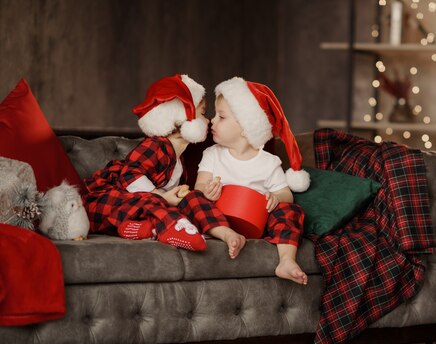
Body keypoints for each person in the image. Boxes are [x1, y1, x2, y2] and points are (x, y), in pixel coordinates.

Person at [82, 74, 246, 255]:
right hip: (107, 205)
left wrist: (199, 195)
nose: (207, 121)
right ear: (182, 118)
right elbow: (129, 175)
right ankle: (172, 228)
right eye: (203, 113)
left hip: (137, 214)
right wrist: (162, 197)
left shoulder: (179, 161)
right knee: (152, 199)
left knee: (192, 197)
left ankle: (225, 232)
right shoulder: (157, 145)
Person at [195, 76, 311, 285]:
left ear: (245, 127)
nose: (212, 120)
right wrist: (206, 191)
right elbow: (200, 186)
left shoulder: (268, 163)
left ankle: (286, 260)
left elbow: (287, 194)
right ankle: (228, 235)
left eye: (221, 117)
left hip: (256, 222)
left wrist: (274, 197)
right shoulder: (213, 154)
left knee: (291, 210)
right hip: (217, 221)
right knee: (193, 199)